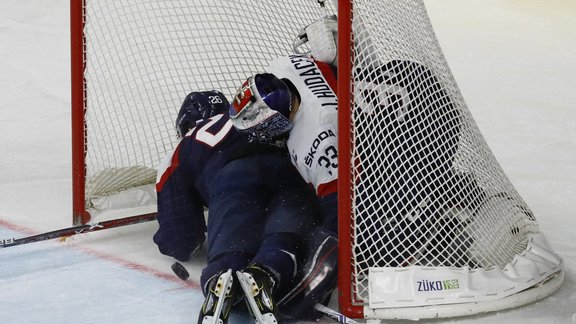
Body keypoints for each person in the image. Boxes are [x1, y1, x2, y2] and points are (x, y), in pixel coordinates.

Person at [153, 90, 322, 323]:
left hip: (234, 179)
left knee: (233, 248)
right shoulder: (245, 113)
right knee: (286, 235)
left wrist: (190, 242)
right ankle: (266, 273)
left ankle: (222, 276)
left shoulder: (185, 144)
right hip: (289, 171)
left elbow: (179, 238)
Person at [228, 55, 340, 318]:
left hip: (410, 138)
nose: (259, 138)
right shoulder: (283, 67)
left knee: (331, 231)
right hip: (400, 88)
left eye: (261, 130)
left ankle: (294, 301)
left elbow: (341, 217)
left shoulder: (318, 142)